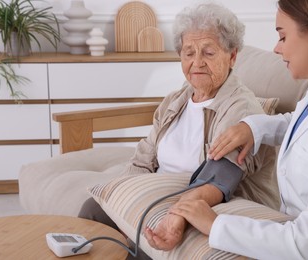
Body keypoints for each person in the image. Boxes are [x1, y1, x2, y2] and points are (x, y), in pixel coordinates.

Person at [169, 0, 308, 259]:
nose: (276, 48)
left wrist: (215, 225)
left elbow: (307, 245)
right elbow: (304, 125)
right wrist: (255, 127)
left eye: (282, 36)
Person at [79, 2, 280, 252]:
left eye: (208, 52)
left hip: (204, 201)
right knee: (93, 210)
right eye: (188, 53)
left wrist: (174, 214)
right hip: (157, 196)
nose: (197, 62)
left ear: (232, 56)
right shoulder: (176, 101)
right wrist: (123, 205)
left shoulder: (241, 108)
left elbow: (219, 179)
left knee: (148, 242)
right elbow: (142, 161)